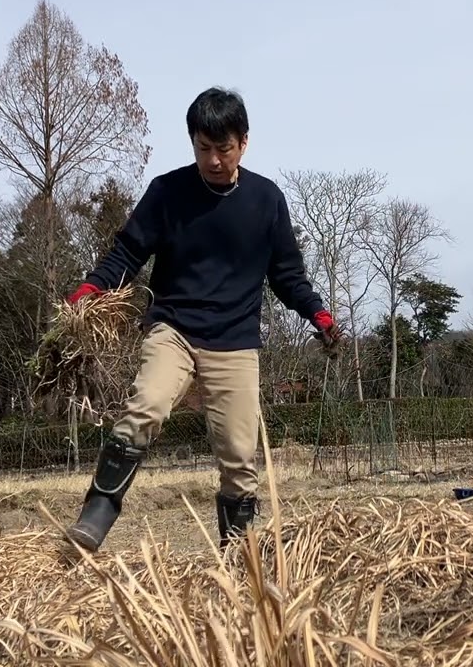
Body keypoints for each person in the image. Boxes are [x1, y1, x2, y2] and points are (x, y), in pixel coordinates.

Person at [63, 86, 341, 552]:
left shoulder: (266, 200)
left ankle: (238, 555)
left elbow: (287, 275)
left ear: (244, 143)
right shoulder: (167, 192)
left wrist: (319, 314)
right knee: (146, 406)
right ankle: (98, 511)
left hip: (235, 340)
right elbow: (127, 253)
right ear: (192, 142)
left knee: (239, 455)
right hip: (173, 328)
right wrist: (91, 290)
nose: (213, 160)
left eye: (223, 148)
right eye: (203, 148)